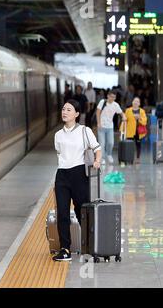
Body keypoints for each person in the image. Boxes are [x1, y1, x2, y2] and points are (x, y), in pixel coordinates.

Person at [53, 99, 102, 261]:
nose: (64, 112)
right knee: (62, 213)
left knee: (82, 211)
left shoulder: (84, 131)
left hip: (79, 174)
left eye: (68, 109)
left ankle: (91, 246)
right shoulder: (58, 135)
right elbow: (60, 154)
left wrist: (97, 161)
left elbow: (97, 148)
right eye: (63, 109)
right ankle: (65, 249)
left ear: (76, 114)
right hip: (62, 175)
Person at [96, 91, 127, 164]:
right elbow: (98, 112)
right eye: (111, 96)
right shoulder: (102, 102)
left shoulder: (115, 105)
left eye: (114, 97)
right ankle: (102, 158)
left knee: (110, 143)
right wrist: (98, 123)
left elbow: (121, 112)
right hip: (101, 126)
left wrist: (123, 116)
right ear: (108, 96)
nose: (112, 98)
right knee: (102, 143)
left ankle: (109, 154)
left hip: (110, 127)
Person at [124, 97, 148, 164]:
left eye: (137, 101)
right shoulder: (128, 110)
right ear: (132, 102)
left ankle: (138, 158)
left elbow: (145, 121)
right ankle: (129, 158)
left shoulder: (142, 111)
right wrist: (123, 129)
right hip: (130, 130)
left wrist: (139, 118)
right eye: (134, 101)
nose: (135, 102)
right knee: (130, 145)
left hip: (138, 131)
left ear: (139, 103)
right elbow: (125, 120)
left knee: (138, 145)